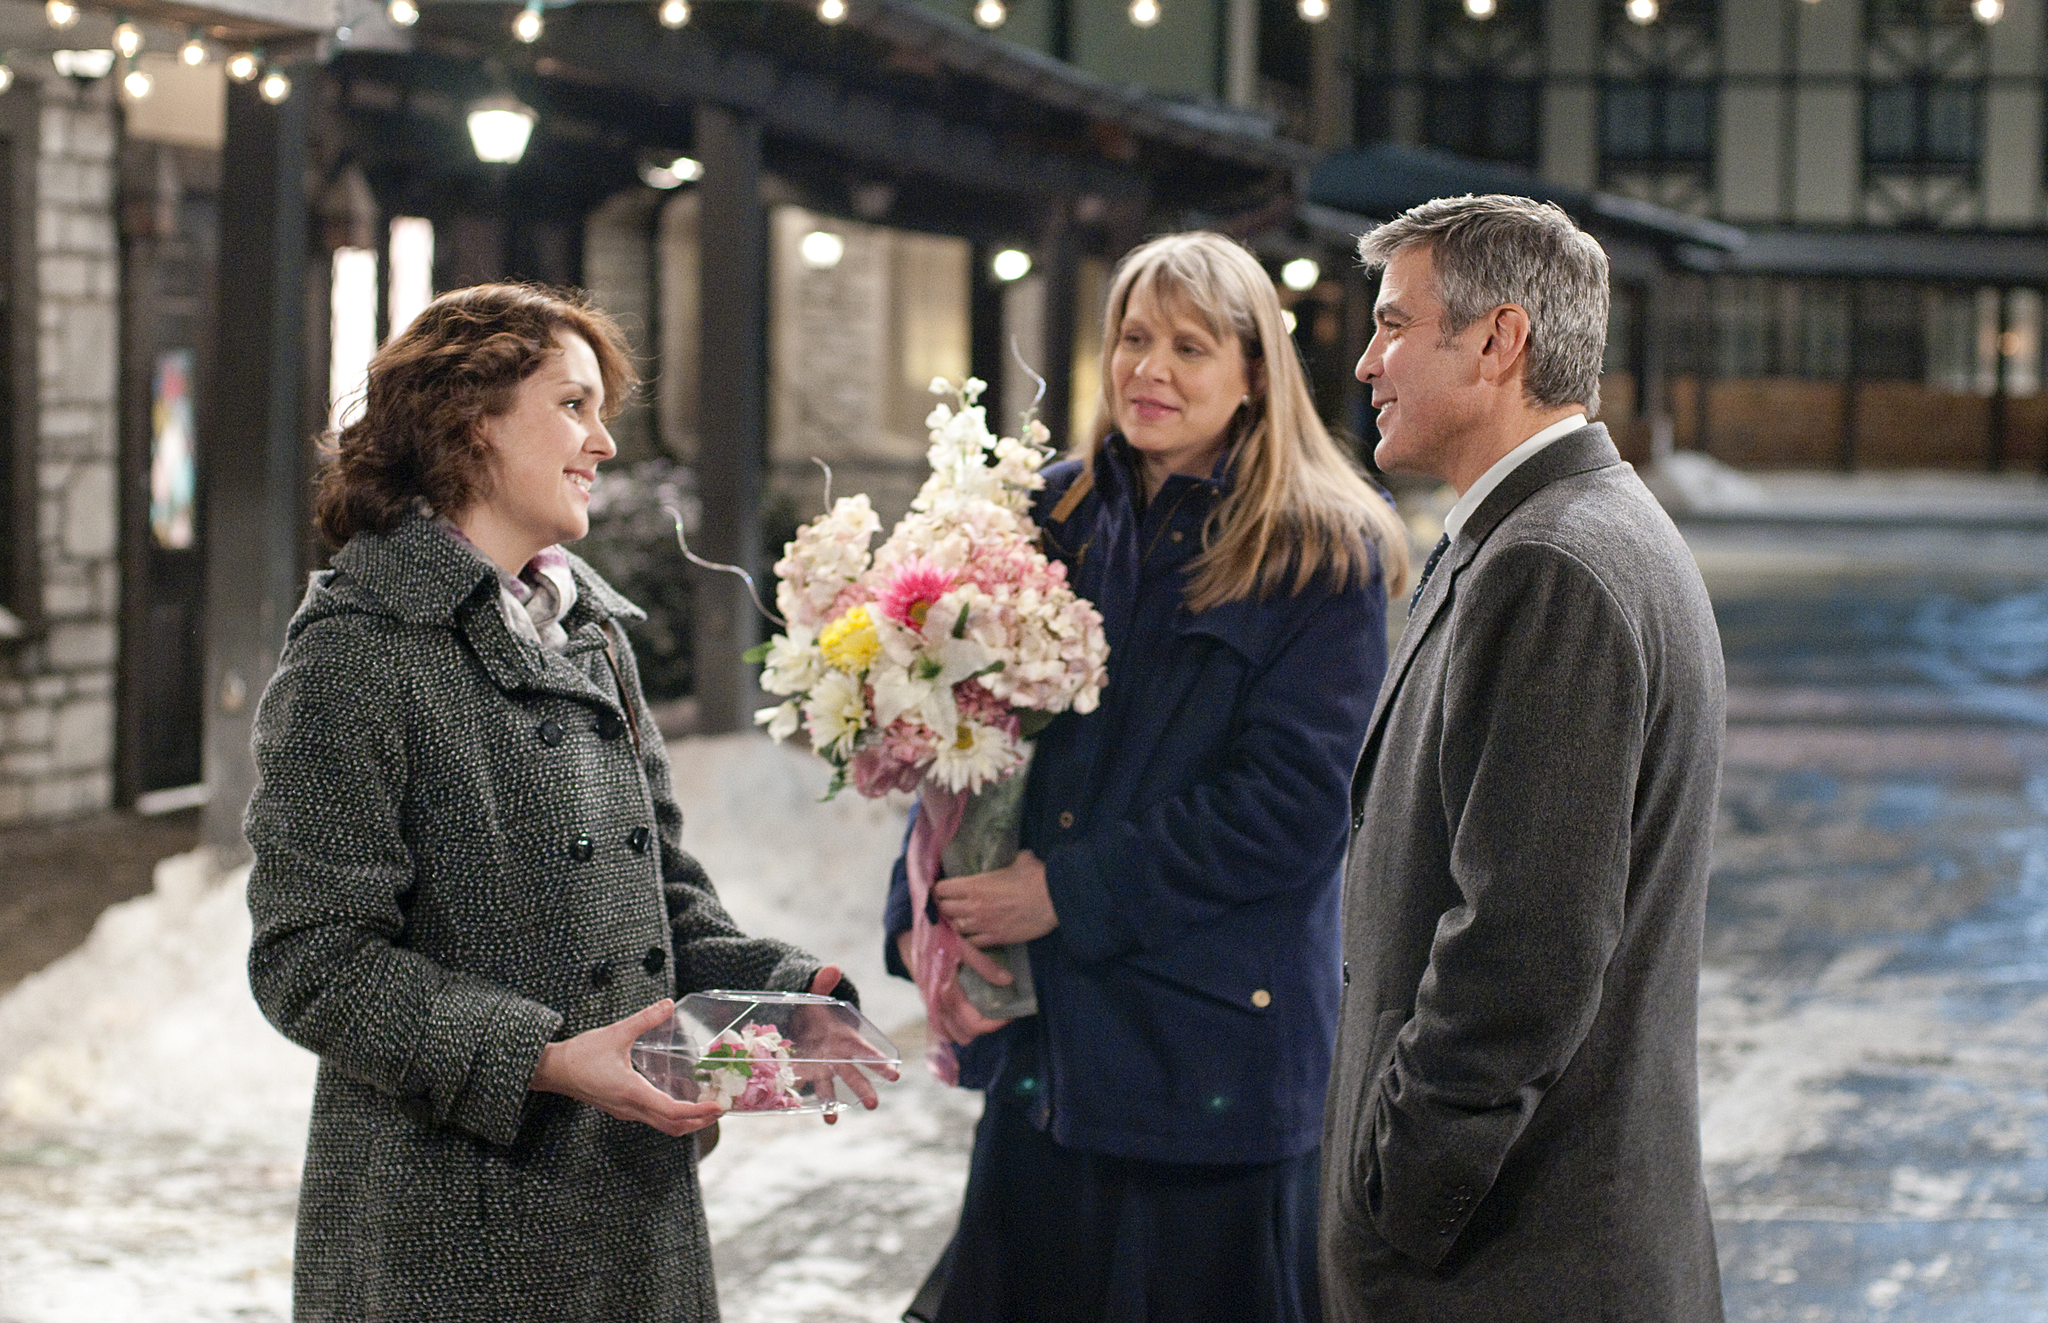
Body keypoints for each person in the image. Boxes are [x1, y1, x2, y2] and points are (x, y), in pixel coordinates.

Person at [245, 282, 881, 1323]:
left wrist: (783, 989)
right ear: (471, 421)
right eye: (573, 406)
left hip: (628, 1210)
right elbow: (310, 963)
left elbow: (658, 892)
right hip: (447, 1233)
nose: (603, 444)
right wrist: (537, 1059)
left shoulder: (589, 634)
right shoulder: (358, 652)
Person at [885, 231, 1410, 1322]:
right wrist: (922, 907)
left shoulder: (1319, 547)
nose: (1148, 370)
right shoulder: (1048, 516)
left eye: (1188, 345)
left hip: (1209, 1064)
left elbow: (1293, 807)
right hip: (1052, 1063)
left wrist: (1063, 892)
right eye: (1131, 337)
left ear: (1254, 371)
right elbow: (967, 739)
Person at [1320, 195, 1726, 1320]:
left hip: (1515, 1260)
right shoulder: (1544, 533)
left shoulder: (1549, 563)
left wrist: (1396, 1193)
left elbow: (1525, 949)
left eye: (1394, 324)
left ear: (1498, 342)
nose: (1364, 361)